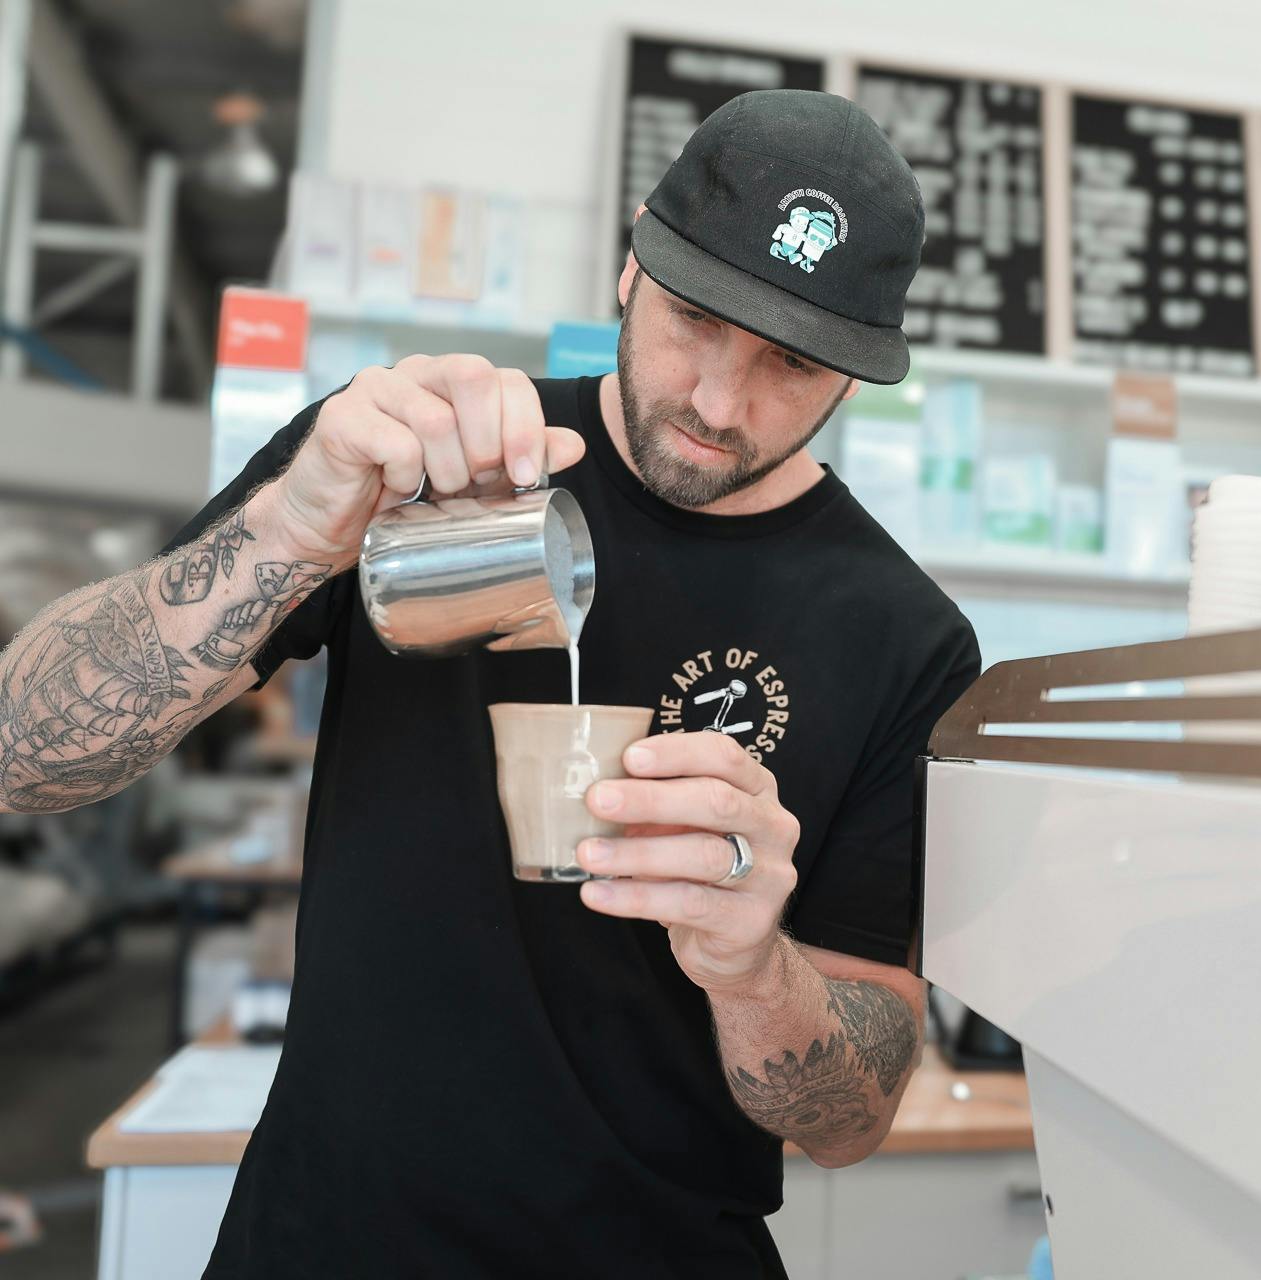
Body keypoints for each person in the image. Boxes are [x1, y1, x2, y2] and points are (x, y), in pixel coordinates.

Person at [0, 89, 979, 1277]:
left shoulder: (905, 636)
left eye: (790, 360)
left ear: (854, 376)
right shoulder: (420, 465)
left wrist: (752, 965)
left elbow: (852, 1118)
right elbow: (22, 753)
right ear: (630, 261)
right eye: (695, 319)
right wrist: (294, 532)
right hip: (326, 1239)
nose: (721, 402)